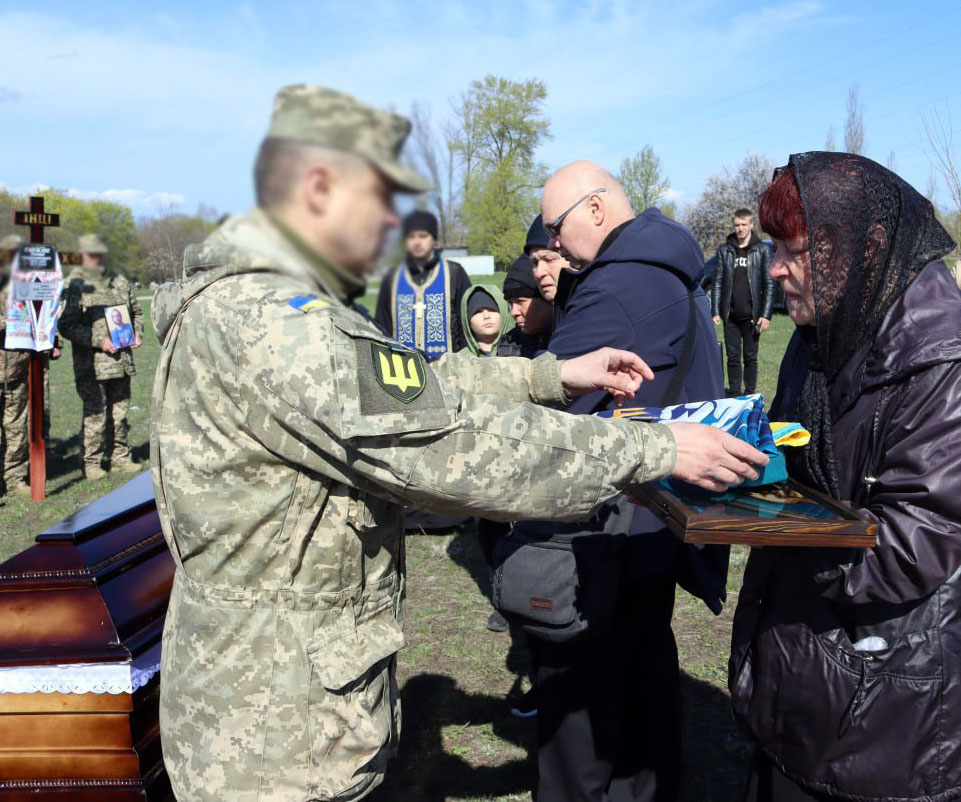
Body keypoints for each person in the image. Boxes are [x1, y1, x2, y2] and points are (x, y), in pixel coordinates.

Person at [148, 84, 766, 802]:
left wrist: (546, 378)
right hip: (273, 739)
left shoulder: (272, 308)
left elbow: (406, 381)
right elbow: (449, 442)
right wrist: (654, 453)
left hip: (275, 708)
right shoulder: (272, 324)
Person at [729, 152, 961, 802]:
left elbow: (913, 544)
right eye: (773, 248)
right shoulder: (822, 338)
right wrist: (731, 463)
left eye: (794, 252)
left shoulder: (949, 372)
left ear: (867, 251)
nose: (774, 270)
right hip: (809, 665)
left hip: (898, 707)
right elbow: (791, 449)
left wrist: (760, 517)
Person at [526, 160, 726, 802]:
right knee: (642, 676)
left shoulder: (620, 285)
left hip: (605, 520)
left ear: (594, 208)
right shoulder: (671, 266)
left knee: (582, 705)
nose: (552, 244)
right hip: (654, 513)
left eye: (555, 228)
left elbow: (548, 411)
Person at [58, 232, 143, 479]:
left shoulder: (119, 281)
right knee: (96, 415)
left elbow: (136, 313)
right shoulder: (75, 283)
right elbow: (66, 325)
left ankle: (119, 458)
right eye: (91, 254)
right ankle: (92, 462)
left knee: (120, 413)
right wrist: (98, 341)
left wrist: (137, 333)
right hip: (92, 365)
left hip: (122, 361)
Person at [374, 209, 471, 356]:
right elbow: (381, 329)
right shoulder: (392, 279)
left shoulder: (455, 274)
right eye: (411, 237)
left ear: (433, 239)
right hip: (403, 371)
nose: (417, 242)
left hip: (448, 370)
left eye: (423, 236)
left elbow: (467, 326)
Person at [710, 207, 776, 395]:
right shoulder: (725, 251)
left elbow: (769, 284)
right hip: (730, 315)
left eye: (744, 224)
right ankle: (734, 393)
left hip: (752, 316)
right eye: (737, 225)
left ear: (751, 225)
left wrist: (766, 314)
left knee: (750, 357)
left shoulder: (762, 250)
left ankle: (750, 393)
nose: (740, 228)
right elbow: (717, 283)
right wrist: (715, 310)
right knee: (732, 357)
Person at [1, 234, 31, 500]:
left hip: (17, 369)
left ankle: (15, 478)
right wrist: (9, 321)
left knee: (16, 427)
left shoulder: (24, 285)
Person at [498, 254, 553, 358]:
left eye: (520, 302)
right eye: (511, 303)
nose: (514, 312)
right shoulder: (509, 345)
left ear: (547, 300)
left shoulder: (572, 340)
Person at [459, 284, 507, 356]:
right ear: (467, 320)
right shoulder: (456, 362)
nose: (486, 316)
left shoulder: (520, 356)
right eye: (478, 312)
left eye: (492, 310)